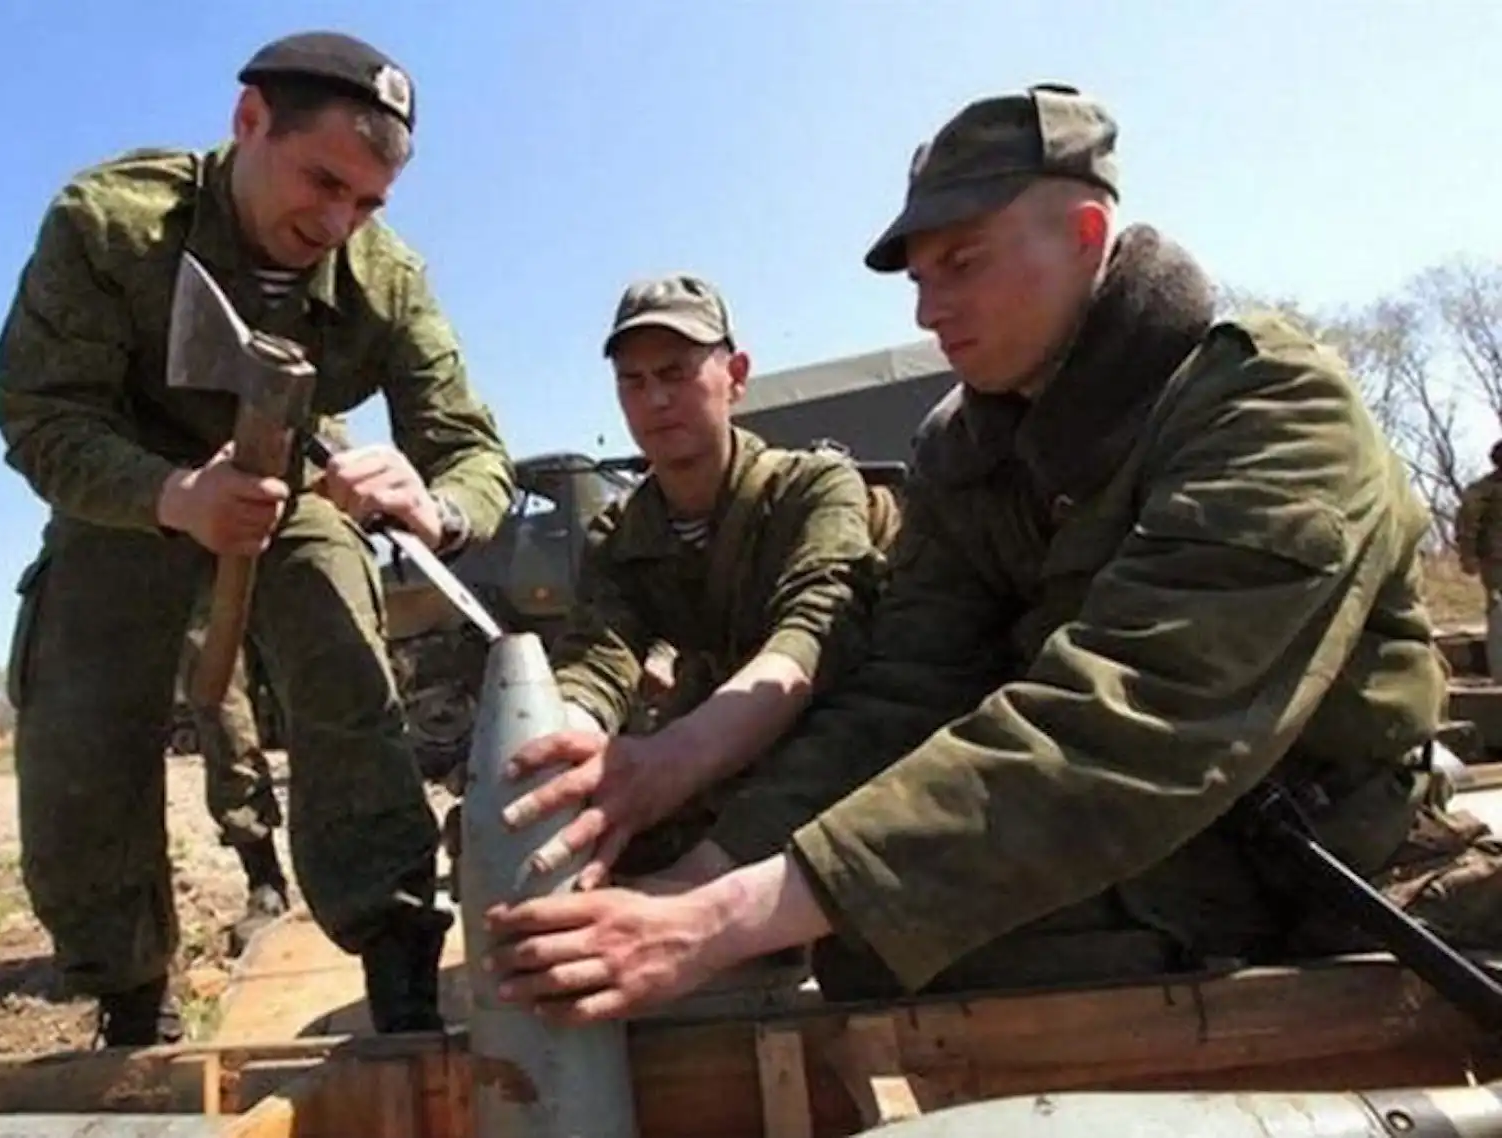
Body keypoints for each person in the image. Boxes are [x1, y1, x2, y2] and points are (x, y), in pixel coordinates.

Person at [481, 83, 1502, 1024]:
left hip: (1328, 852)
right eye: (919, 279)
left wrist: (724, 915)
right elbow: (901, 692)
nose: (928, 310)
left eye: (962, 263)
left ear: (1086, 235)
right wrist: (707, 873)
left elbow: (1135, 716)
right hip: (1140, 842)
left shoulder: (1267, 405)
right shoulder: (967, 455)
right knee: (872, 952)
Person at [0, 31, 514, 1045]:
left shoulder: (384, 277)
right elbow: (40, 416)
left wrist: (436, 504)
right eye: (322, 182)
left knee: (344, 648)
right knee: (78, 716)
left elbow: (471, 450)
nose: (336, 223)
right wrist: (176, 494)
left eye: (367, 204)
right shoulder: (110, 225)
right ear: (248, 122)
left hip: (295, 482)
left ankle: (397, 956)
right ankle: (131, 997)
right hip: (129, 493)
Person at [493, 274, 887, 894]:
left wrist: (673, 761)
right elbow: (600, 656)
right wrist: (558, 751)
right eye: (633, 381)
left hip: (833, 719)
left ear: (736, 375)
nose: (655, 399)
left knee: (814, 782)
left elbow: (814, 633)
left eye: (675, 373)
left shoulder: (811, 488)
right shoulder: (622, 533)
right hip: (720, 736)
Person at [177, 615, 291, 954]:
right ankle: (264, 879)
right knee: (223, 713)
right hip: (205, 590)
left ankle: (357, 879)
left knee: (330, 696)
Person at [1454, 441, 1502, 676]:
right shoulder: (1483, 489)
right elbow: (1467, 524)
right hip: (1496, 561)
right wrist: (1468, 557)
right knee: (1499, 612)